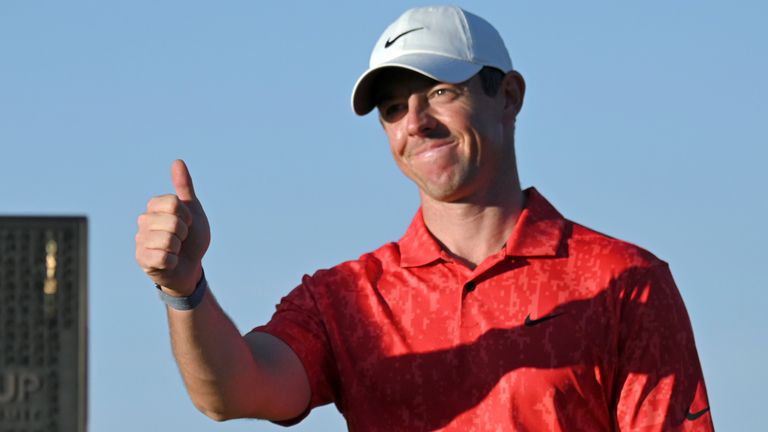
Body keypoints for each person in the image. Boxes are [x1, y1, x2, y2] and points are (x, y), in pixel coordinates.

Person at [135, 5, 713, 431]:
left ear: (508, 96)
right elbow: (234, 392)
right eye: (392, 109)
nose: (414, 122)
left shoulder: (624, 281)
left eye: (438, 91)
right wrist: (185, 291)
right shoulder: (346, 299)